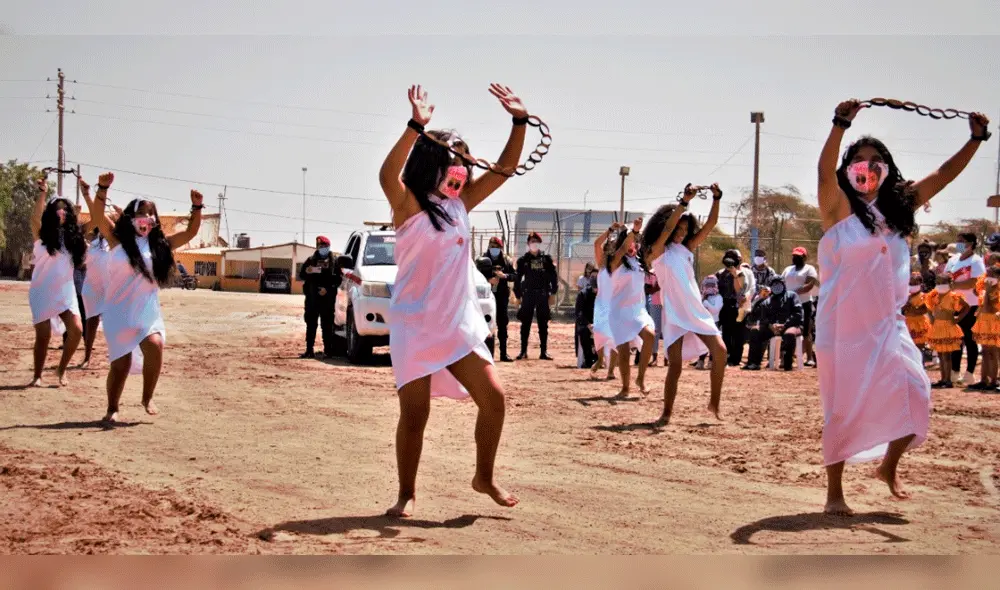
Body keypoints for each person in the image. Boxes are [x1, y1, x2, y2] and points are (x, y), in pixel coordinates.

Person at [815, 98, 988, 515]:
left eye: (876, 159)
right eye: (859, 159)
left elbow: (943, 176)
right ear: (849, 168)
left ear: (886, 168)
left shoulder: (898, 210)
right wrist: (841, 124)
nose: (867, 165)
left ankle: (888, 467)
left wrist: (976, 139)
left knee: (916, 393)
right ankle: (834, 494)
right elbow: (823, 171)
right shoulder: (837, 209)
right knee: (843, 408)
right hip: (842, 329)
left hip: (887, 327)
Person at [377, 83, 527, 517]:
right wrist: (415, 127)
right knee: (415, 412)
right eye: (455, 159)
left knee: (494, 399)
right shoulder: (408, 205)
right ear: (433, 162)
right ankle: (406, 493)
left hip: (456, 323)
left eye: (465, 159)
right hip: (413, 323)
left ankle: (484, 476)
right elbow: (387, 174)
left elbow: (504, 168)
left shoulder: (461, 205)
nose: (462, 167)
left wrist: (518, 121)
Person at [84, 173, 204, 422]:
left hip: (147, 310)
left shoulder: (161, 245)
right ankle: (112, 408)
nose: (146, 218)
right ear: (131, 218)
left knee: (156, 346)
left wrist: (196, 207)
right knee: (121, 365)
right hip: (117, 311)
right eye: (141, 212)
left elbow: (191, 232)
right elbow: (97, 216)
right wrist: (102, 188)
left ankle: (147, 397)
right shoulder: (116, 239)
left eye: (151, 214)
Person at [641, 183, 727, 426]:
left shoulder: (686, 248)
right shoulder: (657, 252)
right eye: (677, 228)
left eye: (685, 229)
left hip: (695, 309)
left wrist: (717, 198)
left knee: (720, 351)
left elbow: (709, 225)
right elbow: (668, 228)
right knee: (675, 366)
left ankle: (714, 403)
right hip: (675, 313)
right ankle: (666, 413)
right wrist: (684, 203)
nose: (680, 232)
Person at [27, 175, 86, 387]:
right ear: (52, 214)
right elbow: (35, 219)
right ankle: (37, 375)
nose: (62, 213)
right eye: (58, 209)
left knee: (77, 330)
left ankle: (61, 370)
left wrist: (88, 194)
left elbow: (96, 221)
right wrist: (42, 193)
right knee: (43, 335)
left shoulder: (74, 237)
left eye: (65, 209)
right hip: (41, 290)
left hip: (65, 291)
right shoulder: (41, 235)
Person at [592, 217, 656, 398]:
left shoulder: (639, 261)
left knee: (650, 337)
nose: (633, 245)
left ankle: (640, 378)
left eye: (635, 242)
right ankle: (625, 387)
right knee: (623, 351)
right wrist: (631, 232)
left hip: (637, 310)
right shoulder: (615, 260)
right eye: (630, 241)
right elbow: (604, 246)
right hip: (618, 311)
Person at [945, 231, 986, 385]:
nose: (958, 244)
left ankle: (969, 373)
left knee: (969, 338)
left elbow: (975, 282)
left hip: (971, 304)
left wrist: (954, 285)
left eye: (961, 241)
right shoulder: (953, 260)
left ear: (971, 243)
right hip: (954, 303)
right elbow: (946, 277)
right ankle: (954, 371)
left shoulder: (976, 261)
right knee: (956, 338)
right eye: (958, 240)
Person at [743, 276, 804, 371]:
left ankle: (787, 364)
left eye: (779, 283)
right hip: (772, 328)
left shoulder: (792, 295)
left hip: (791, 326)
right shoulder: (767, 301)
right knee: (755, 331)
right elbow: (763, 318)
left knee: (789, 334)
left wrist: (785, 325)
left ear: (784, 284)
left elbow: (798, 314)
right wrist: (770, 325)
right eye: (774, 284)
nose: (777, 286)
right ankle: (753, 363)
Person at [513, 231, 558, 360]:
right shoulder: (523, 260)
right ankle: (523, 351)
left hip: (543, 294)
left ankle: (543, 351)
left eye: (536, 241)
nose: (534, 244)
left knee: (543, 324)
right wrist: (517, 295)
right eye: (532, 241)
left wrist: (553, 292)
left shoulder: (546, 259)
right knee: (525, 323)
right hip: (528, 295)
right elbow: (517, 278)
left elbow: (553, 277)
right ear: (528, 243)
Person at [298, 236, 340, 359]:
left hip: (327, 300)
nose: (322, 249)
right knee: (311, 325)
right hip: (312, 299)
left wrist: (327, 290)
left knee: (327, 326)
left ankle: (328, 350)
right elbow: (301, 274)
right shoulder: (311, 260)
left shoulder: (334, 261)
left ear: (328, 247)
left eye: (324, 247)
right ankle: (309, 350)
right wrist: (308, 271)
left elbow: (338, 279)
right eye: (320, 247)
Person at [927, 274, 970, 388]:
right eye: (938, 281)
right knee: (940, 354)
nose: (940, 284)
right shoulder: (934, 295)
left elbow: (966, 307)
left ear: (949, 283)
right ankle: (943, 379)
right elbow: (929, 308)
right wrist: (931, 318)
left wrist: (958, 318)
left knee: (946, 355)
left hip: (948, 327)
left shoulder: (953, 296)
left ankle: (948, 380)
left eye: (942, 282)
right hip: (937, 327)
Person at [478, 236, 516, 362]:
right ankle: (483, 354)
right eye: (492, 247)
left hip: (501, 296)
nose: (494, 249)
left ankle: (503, 353)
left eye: (497, 247)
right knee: (484, 324)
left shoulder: (506, 260)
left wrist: (504, 276)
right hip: (486, 296)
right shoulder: (482, 259)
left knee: (502, 323)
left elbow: (515, 276)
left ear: (501, 248)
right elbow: (475, 276)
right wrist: (488, 280)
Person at [782, 247, 820, 367]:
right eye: (794, 256)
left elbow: (809, 285)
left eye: (798, 256)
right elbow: (781, 282)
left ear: (804, 257)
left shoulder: (809, 269)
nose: (795, 258)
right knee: (786, 328)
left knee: (806, 330)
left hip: (804, 303)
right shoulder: (788, 269)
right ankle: (786, 357)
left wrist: (794, 292)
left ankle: (809, 358)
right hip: (788, 303)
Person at [716, 249, 753, 366]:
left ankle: (736, 359)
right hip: (725, 305)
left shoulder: (747, 272)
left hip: (741, 306)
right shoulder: (720, 273)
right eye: (728, 256)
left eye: (734, 257)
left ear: (740, 259)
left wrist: (746, 296)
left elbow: (750, 288)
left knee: (739, 334)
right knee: (726, 332)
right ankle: (726, 356)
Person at [971, 261, 1000, 391]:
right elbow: (981, 306)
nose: (987, 277)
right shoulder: (984, 289)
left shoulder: (997, 291)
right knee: (985, 352)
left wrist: (988, 291)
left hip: (993, 323)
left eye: (991, 275)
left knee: (993, 352)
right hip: (983, 322)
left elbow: (988, 308)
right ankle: (983, 380)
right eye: (987, 274)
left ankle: (993, 381)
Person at [694, 275, 724, 370]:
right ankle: (701, 360)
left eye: (712, 285)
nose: (709, 287)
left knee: (713, 343)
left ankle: (711, 361)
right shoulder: (701, 297)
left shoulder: (718, 297)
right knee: (702, 342)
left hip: (714, 322)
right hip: (703, 322)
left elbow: (715, 310)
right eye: (707, 285)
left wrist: (706, 303)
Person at [574, 267, 599, 369]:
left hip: (600, 323)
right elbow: (579, 313)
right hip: (586, 323)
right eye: (592, 277)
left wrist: (598, 324)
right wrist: (588, 324)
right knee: (583, 332)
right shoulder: (583, 294)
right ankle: (588, 359)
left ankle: (599, 358)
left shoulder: (605, 294)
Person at [902, 272, 931, 354]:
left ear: (920, 284)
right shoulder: (906, 296)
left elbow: (924, 310)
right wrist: (905, 306)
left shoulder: (924, 297)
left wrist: (912, 307)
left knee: (919, 347)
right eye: (911, 284)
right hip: (907, 323)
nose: (913, 285)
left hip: (919, 324)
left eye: (915, 283)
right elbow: (902, 310)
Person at [644, 266, 663, 366]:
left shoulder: (668, 269)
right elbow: (647, 289)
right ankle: (654, 356)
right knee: (655, 330)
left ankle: (667, 357)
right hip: (655, 303)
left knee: (668, 330)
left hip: (668, 303)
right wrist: (656, 287)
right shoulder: (651, 273)